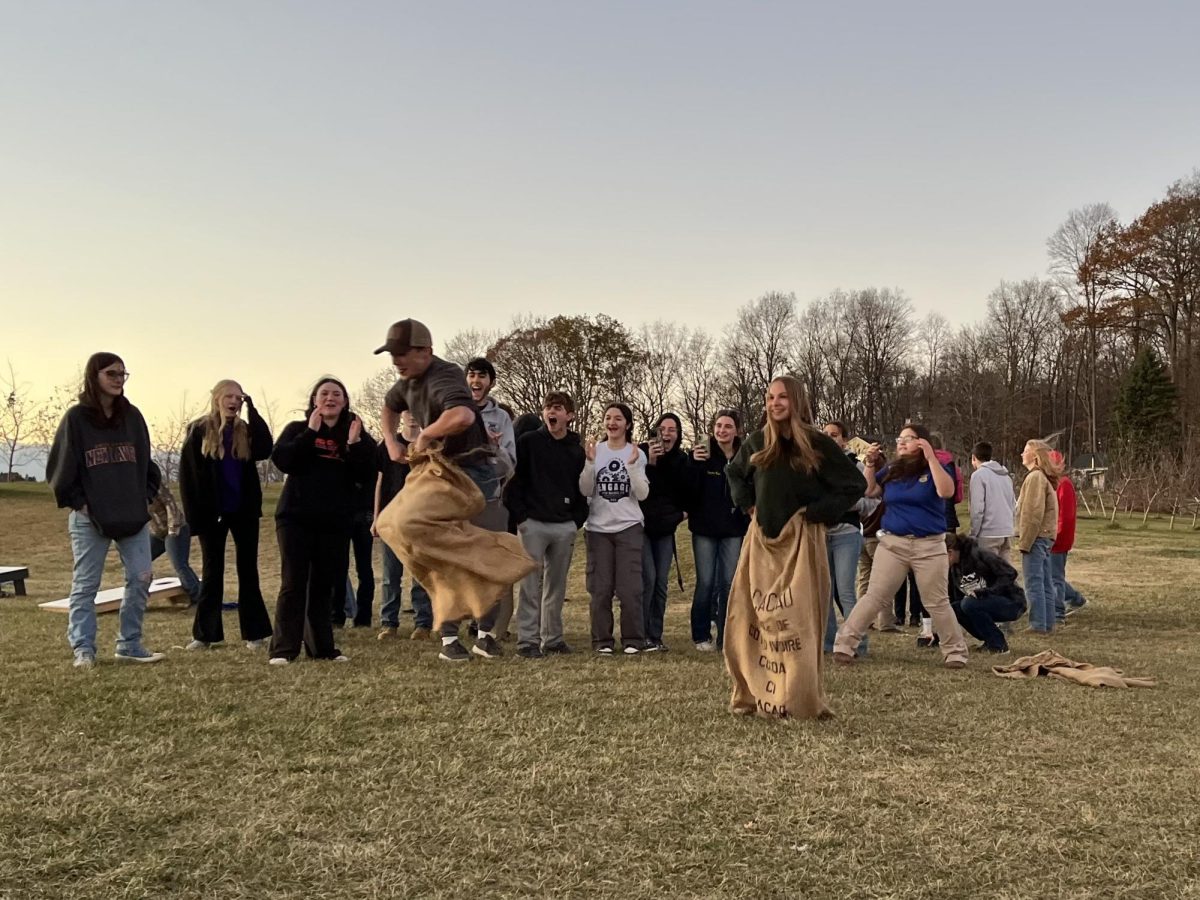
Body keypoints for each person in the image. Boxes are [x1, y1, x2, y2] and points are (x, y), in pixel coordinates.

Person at [376, 319, 530, 663]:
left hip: (470, 475)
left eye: (402, 353)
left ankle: (486, 630)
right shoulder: (407, 382)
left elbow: (461, 414)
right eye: (392, 355)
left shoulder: (443, 376)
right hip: (440, 471)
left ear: (425, 351)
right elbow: (389, 406)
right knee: (409, 534)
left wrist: (426, 434)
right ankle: (453, 639)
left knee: (465, 553)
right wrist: (389, 439)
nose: (396, 361)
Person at [724, 377, 866, 718]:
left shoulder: (816, 443)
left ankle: (798, 698)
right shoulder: (757, 441)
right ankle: (758, 693)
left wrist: (816, 513)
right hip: (762, 542)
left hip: (802, 543)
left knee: (797, 622)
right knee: (757, 618)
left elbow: (854, 484)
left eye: (783, 397)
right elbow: (734, 473)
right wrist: (748, 505)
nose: (775, 403)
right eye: (770, 397)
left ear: (797, 401)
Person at [46, 352, 165, 667]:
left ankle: (129, 643)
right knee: (87, 584)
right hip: (90, 519)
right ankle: (83, 648)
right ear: (94, 376)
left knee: (142, 576)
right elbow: (60, 469)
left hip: (132, 516)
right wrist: (80, 504)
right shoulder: (76, 419)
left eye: (123, 374)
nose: (118, 379)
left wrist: (145, 496)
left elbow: (146, 464)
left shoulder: (133, 417)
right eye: (111, 373)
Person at [832, 422, 970, 669]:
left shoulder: (938, 467)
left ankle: (955, 652)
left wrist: (930, 456)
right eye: (900, 438)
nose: (901, 442)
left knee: (936, 601)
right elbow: (870, 490)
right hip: (893, 544)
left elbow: (946, 491)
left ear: (923, 442)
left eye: (909, 438)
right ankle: (845, 644)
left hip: (929, 546)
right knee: (875, 596)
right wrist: (872, 465)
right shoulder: (893, 469)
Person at [267, 377, 376, 665]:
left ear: (345, 401)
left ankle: (323, 649)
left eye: (337, 394)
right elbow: (284, 462)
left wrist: (353, 444)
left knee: (324, 585)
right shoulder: (297, 429)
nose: (331, 398)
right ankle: (283, 650)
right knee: (293, 583)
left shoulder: (356, 432)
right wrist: (310, 433)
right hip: (295, 518)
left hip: (335, 521)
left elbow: (366, 473)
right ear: (315, 400)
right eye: (324, 393)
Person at [179, 380, 275, 650]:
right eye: (229, 396)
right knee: (212, 572)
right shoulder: (199, 430)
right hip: (212, 513)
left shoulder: (245, 430)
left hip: (243, 510)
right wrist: (195, 517)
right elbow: (189, 477)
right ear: (217, 398)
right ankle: (204, 635)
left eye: (239, 398)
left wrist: (253, 410)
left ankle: (255, 634)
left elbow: (266, 448)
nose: (234, 401)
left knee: (248, 571)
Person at [504, 392, 588, 658]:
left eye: (558, 408)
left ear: (569, 416)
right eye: (548, 408)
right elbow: (512, 483)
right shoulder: (528, 442)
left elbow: (582, 489)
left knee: (556, 587)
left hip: (564, 526)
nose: (552, 412)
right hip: (533, 525)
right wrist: (522, 518)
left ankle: (553, 638)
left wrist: (575, 521)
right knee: (529, 586)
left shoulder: (576, 450)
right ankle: (527, 641)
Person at [579, 402, 649, 655]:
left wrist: (631, 466)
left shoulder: (636, 453)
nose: (612, 423)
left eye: (618, 419)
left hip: (628, 527)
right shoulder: (595, 451)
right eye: (608, 418)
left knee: (630, 590)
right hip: (598, 529)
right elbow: (586, 490)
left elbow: (642, 494)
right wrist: (588, 464)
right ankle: (602, 641)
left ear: (627, 424)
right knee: (600, 589)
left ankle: (633, 639)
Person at [684, 409, 749, 652]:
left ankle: (726, 636)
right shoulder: (703, 454)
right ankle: (701, 634)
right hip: (704, 528)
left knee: (729, 583)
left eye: (728, 426)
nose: (722, 431)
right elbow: (690, 491)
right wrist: (695, 464)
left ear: (737, 431)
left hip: (733, 529)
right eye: (718, 426)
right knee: (706, 582)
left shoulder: (744, 456)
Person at [466, 357, 518, 641]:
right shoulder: (453, 413)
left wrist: (493, 449)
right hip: (456, 502)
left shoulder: (502, 419)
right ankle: (449, 631)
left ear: (491, 382)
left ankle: (485, 629)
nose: (476, 381)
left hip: (489, 501)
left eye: (482, 376)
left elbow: (509, 466)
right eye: (472, 375)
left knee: (490, 568)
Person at [375, 415, 435, 641]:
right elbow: (380, 483)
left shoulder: (430, 446)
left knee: (420, 574)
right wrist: (376, 517)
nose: (411, 414)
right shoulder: (388, 446)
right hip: (391, 519)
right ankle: (389, 623)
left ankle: (423, 624)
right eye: (406, 409)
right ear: (401, 414)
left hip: (420, 519)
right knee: (391, 576)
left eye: (415, 409)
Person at [638, 412, 690, 651]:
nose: (667, 434)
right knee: (647, 578)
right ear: (655, 431)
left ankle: (655, 634)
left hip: (666, 528)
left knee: (660, 582)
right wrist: (651, 463)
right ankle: (640, 632)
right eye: (663, 429)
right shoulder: (640, 453)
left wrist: (681, 515)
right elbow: (642, 491)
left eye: (672, 430)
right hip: (642, 527)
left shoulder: (682, 460)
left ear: (678, 435)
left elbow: (686, 492)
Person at [820, 421, 869, 656]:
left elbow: (868, 500)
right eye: (826, 434)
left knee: (845, 590)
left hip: (846, 533)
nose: (830, 438)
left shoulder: (854, 465)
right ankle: (829, 643)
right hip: (820, 534)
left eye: (835, 435)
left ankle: (858, 642)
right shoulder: (815, 464)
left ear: (844, 440)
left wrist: (842, 504)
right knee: (824, 592)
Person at [947, 533, 1026, 653]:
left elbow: (1010, 573)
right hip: (984, 602)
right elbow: (956, 598)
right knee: (955, 608)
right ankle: (989, 640)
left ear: (950, 552)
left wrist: (987, 592)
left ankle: (998, 645)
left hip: (1011, 601)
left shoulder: (981, 555)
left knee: (968, 604)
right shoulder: (954, 568)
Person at [1016, 439, 1061, 634]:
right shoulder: (1043, 478)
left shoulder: (1035, 478)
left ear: (1034, 456)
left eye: (1025, 450)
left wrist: (1025, 541)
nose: (1021, 454)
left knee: (1034, 582)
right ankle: (1047, 623)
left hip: (1036, 537)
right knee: (1044, 582)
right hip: (1045, 536)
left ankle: (1038, 625)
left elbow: (1032, 513)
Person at [147, 481, 201, 605]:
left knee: (180, 564)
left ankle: (198, 598)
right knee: (141, 560)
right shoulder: (133, 491)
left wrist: (173, 530)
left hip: (177, 529)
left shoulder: (154, 484)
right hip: (157, 533)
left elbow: (170, 505)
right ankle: (141, 591)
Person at [1048, 450, 1088, 619]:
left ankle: (1058, 613)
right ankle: (1075, 598)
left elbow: (1066, 516)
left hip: (1058, 540)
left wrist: (1056, 536)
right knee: (1051, 575)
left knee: (1054, 577)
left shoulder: (1063, 485)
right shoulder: (1054, 484)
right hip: (1052, 537)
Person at [968, 441, 1016, 555]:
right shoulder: (1006, 476)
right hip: (1006, 530)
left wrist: (974, 533)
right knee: (1004, 570)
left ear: (974, 458)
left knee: (987, 570)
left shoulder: (978, 476)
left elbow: (977, 509)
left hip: (988, 532)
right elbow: (1013, 504)